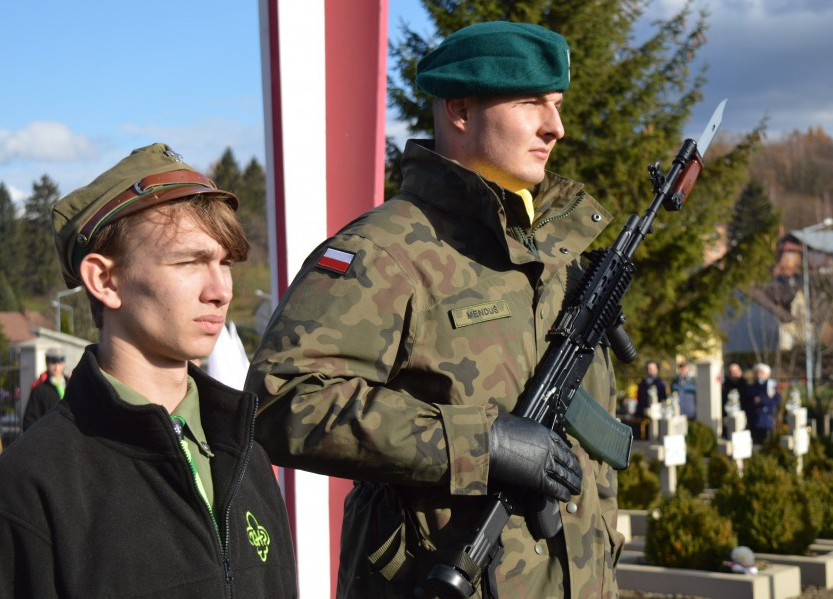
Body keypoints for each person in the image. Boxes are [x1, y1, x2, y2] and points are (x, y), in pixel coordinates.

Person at [246, 22, 622, 598]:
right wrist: (481, 444)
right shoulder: (386, 251)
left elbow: (594, 462)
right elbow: (281, 399)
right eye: (530, 104)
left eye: (557, 104)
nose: (556, 127)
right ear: (460, 109)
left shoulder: (556, 259)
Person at [0, 143, 297, 598]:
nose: (221, 290)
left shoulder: (247, 456)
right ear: (105, 280)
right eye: (190, 261)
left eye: (224, 262)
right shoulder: (20, 497)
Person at [22, 347, 69, 431]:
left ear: (64, 364)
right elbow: (30, 421)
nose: (57, 367)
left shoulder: (71, 383)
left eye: (60, 362)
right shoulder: (39, 390)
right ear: (47, 363)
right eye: (53, 363)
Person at [746, 362, 781, 445]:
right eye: (756, 373)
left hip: (766, 421)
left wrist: (762, 400)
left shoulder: (772, 387)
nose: (759, 375)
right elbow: (746, 403)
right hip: (753, 421)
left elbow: (776, 401)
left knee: (766, 443)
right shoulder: (751, 387)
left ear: (767, 374)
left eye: (761, 373)